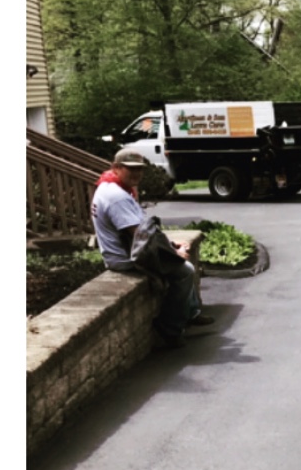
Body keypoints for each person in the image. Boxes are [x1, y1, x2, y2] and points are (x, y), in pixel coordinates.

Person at [91, 147, 213, 348]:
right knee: (184, 271)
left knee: (180, 259)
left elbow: (143, 230)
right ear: (116, 168)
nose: (137, 173)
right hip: (126, 258)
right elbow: (142, 239)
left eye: (139, 169)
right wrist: (174, 253)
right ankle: (169, 327)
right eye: (131, 169)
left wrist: (171, 244)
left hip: (132, 248)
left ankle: (190, 312)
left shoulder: (114, 188)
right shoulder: (116, 197)